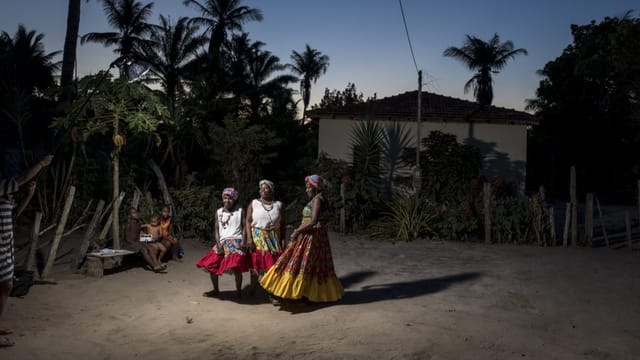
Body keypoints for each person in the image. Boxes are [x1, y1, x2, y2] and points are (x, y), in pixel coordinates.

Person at [260, 175, 343, 303]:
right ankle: (307, 293)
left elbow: (313, 220)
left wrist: (297, 231)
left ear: (315, 188)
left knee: (297, 262)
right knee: (313, 264)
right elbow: (322, 219)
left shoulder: (317, 200)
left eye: (309, 187)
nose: (306, 190)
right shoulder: (320, 198)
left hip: (310, 236)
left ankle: (292, 291)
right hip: (315, 235)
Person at [1, 154, 53, 347]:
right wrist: (41, 163)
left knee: (6, 286)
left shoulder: (4, 197)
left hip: (6, 248)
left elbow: (14, 214)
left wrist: (29, 196)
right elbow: (21, 179)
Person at [195, 188, 249, 298]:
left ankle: (239, 291)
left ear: (234, 199)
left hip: (236, 241)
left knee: (235, 267)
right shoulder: (219, 212)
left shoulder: (239, 210)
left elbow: (244, 227)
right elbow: (216, 228)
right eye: (225, 198)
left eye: (230, 198)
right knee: (211, 264)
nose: (227, 201)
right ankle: (216, 289)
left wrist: (244, 240)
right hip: (222, 242)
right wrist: (218, 243)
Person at [245, 179, 286, 296]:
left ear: (271, 190)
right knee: (256, 263)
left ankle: (271, 292)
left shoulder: (279, 205)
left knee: (272, 264)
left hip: (273, 238)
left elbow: (283, 224)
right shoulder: (254, 203)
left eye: (266, 187)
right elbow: (248, 221)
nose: (262, 190)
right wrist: (249, 239)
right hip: (257, 236)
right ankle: (253, 289)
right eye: (261, 188)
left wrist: (283, 239)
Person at [122, 207, 166, 273]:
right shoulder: (128, 223)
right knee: (144, 250)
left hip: (137, 241)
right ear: (129, 216)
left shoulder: (139, 223)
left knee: (149, 247)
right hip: (128, 243)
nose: (136, 214)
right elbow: (127, 238)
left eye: (136, 212)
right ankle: (154, 266)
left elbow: (140, 233)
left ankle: (157, 264)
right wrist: (137, 243)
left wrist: (148, 237)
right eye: (133, 213)